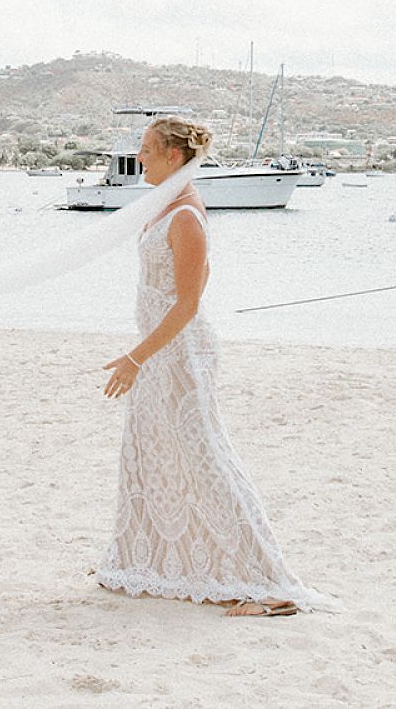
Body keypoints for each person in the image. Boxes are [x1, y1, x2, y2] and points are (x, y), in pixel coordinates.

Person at [96, 116, 324, 617]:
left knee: (204, 455)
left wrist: (137, 357)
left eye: (148, 152)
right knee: (153, 451)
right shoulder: (164, 208)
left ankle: (269, 583)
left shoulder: (186, 217)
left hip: (179, 354)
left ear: (173, 157)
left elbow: (188, 304)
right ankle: (147, 559)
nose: (141, 160)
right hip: (157, 350)